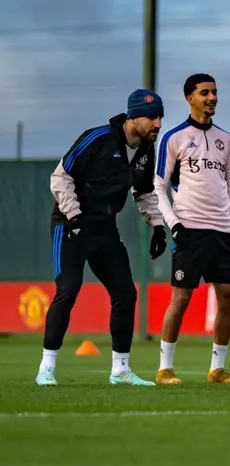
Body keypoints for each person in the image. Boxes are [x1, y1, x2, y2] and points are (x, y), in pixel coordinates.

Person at [36, 89, 168, 386]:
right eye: (151, 117)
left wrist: (158, 226)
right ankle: (46, 368)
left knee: (125, 293)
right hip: (70, 227)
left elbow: (144, 193)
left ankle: (120, 370)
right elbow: (60, 177)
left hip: (105, 229)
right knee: (67, 290)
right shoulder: (97, 139)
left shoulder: (147, 150)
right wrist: (75, 216)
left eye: (160, 117)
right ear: (133, 117)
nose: (157, 123)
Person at [153, 73, 230, 385]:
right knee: (181, 298)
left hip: (221, 231)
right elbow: (159, 186)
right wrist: (174, 225)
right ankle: (165, 368)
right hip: (190, 229)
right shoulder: (174, 138)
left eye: (214, 92)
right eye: (204, 93)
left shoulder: (226, 140)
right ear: (189, 98)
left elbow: (229, 186)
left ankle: (216, 369)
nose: (212, 98)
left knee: (228, 298)